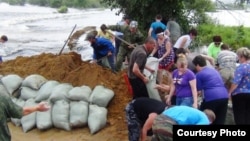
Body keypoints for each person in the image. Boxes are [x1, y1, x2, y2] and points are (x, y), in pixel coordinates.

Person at [141, 105, 215, 141]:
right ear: (210, 122)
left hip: (157, 120)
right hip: (168, 124)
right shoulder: (205, 119)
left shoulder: (194, 113)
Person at [192, 55, 229, 124]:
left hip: (211, 97)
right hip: (224, 96)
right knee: (220, 119)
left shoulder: (199, 74)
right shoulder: (214, 70)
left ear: (197, 65)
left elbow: (198, 90)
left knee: (206, 118)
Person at [228, 47, 250, 125]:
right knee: (248, 116)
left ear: (242, 56)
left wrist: (230, 92)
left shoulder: (241, 67)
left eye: (238, 56)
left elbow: (236, 82)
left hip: (240, 94)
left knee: (239, 116)